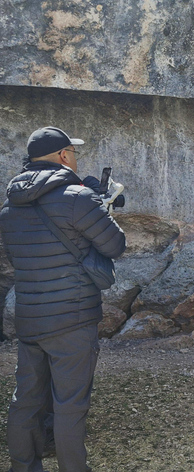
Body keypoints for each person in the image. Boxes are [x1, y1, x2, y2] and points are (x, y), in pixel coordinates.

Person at [0, 126, 126, 472]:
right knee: (70, 405)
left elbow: (17, 257)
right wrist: (104, 210)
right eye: (73, 151)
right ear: (63, 155)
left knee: (25, 401)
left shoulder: (9, 206)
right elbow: (114, 246)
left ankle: (23, 467)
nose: (74, 158)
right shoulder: (77, 197)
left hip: (29, 319)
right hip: (72, 320)